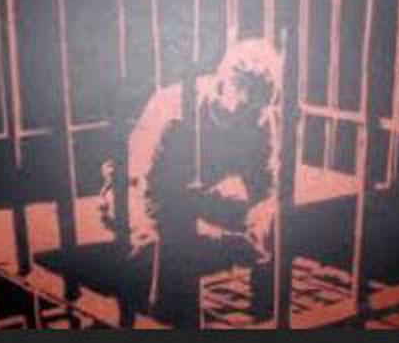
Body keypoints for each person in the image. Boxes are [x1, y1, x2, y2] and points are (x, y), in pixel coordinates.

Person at [100, 38, 282, 327]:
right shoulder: (175, 110)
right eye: (244, 113)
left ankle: (268, 317)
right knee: (157, 246)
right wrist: (212, 239)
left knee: (272, 225)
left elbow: (265, 190)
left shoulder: (259, 116)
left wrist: (259, 226)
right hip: (134, 188)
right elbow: (143, 187)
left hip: (193, 192)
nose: (251, 123)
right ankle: (165, 317)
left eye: (258, 113)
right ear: (221, 88)